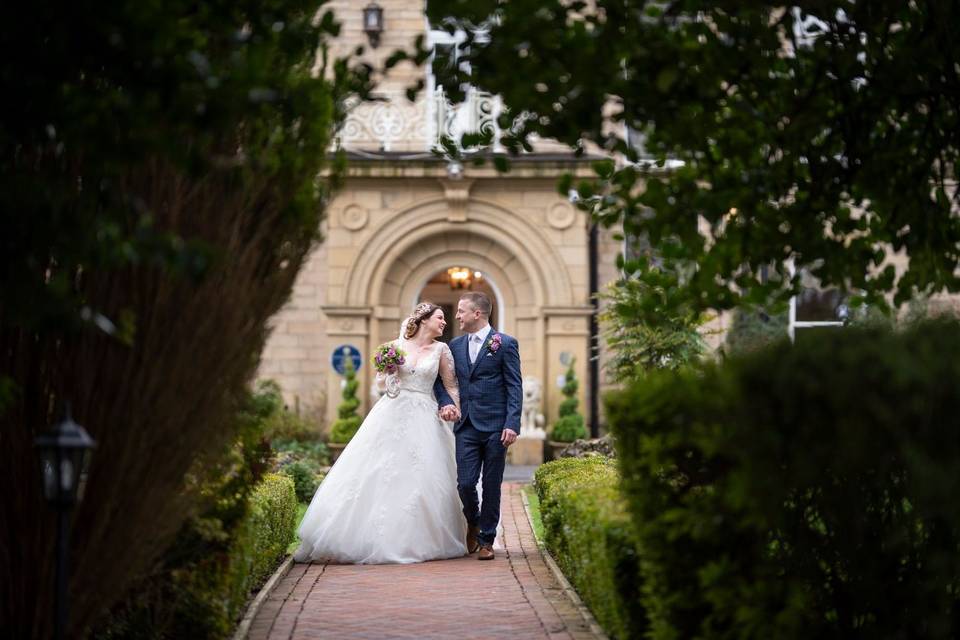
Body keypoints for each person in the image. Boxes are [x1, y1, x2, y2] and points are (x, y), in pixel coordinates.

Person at [294, 302, 466, 564]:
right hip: (392, 411)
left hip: (425, 415)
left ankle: (419, 538)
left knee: (423, 475)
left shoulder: (442, 349)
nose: (445, 322)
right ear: (423, 320)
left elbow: (451, 385)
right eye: (440, 318)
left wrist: (452, 407)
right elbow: (382, 385)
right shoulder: (395, 348)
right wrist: (387, 372)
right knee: (378, 469)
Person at [434, 292, 522, 561]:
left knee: (492, 484)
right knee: (465, 483)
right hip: (466, 425)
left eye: (461, 311)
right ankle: (473, 520)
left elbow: (514, 385)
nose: (457, 316)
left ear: (478, 314)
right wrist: (446, 402)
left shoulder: (504, 344)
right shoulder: (454, 346)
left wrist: (512, 423)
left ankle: (486, 540)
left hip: (497, 426)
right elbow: (440, 381)